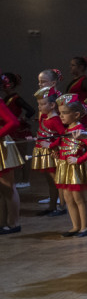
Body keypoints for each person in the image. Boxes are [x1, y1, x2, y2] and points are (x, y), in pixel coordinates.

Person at [54, 94, 87, 237]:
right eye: (60, 113)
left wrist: (79, 160)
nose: (61, 116)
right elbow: (65, 147)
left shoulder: (80, 130)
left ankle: (85, 227)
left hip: (75, 170)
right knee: (68, 198)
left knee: (78, 199)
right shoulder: (67, 130)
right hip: (65, 167)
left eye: (64, 113)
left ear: (76, 114)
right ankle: (75, 226)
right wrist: (57, 155)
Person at [31, 84, 65, 216]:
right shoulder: (45, 118)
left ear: (52, 105)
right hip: (43, 152)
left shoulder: (55, 120)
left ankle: (61, 207)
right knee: (51, 182)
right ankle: (52, 206)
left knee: (57, 182)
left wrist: (50, 145)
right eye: (39, 104)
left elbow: (63, 137)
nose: (39, 107)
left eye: (42, 104)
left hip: (52, 154)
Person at [1, 72, 32, 189]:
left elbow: (31, 110)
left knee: (23, 156)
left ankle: (25, 180)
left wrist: (22, 119)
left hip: (18, 130)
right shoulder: (5, 98)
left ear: (11, 84)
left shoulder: (16, 98)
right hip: (9, 130)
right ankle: (17, 180)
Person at [0, 96, 24, 235]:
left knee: (8, 187)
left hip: (2, 146)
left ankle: (14, 223)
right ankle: (2, 223)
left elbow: (13, 122)